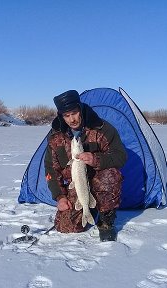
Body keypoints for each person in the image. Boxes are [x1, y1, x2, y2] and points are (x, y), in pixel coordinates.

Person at [44, 90, 127, 241]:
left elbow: (120, 157)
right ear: (61, 116)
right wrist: (60, 197)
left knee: (110, 175)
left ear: (80, 109)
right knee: (66, 227)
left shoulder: (102, 128)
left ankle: (105, 220)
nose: (72, 119)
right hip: (77, 187)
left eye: (74, 113)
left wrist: (97, 159)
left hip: (100, 182)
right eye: (66, 116)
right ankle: (90, 210)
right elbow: (51, 169)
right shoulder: (56, 137)